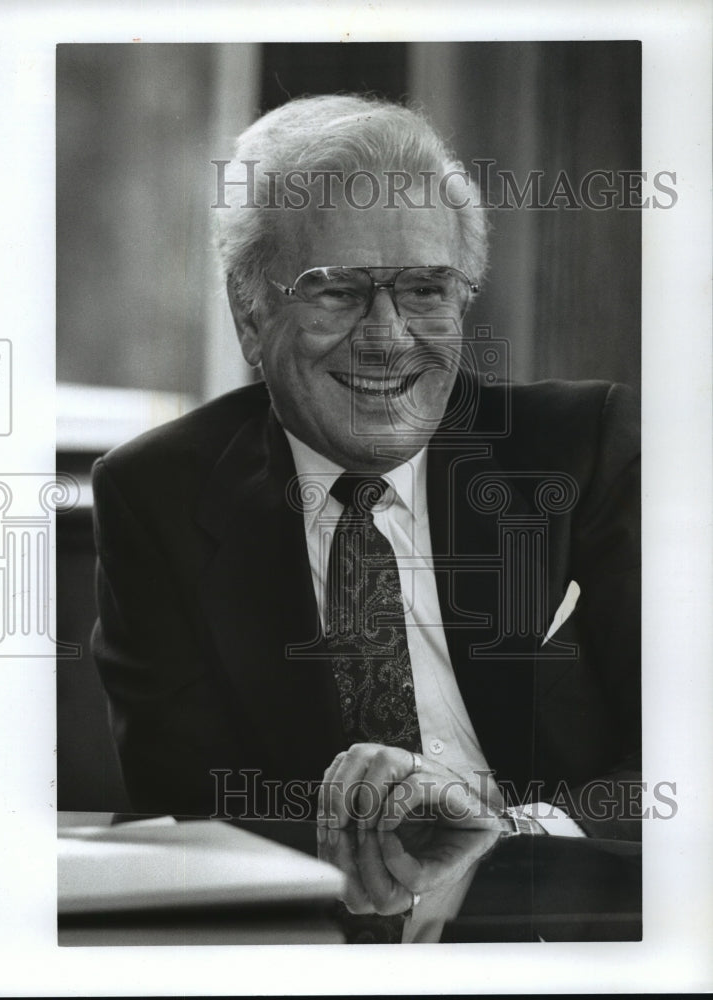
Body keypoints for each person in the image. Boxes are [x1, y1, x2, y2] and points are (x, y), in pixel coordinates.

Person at [91, 95, 640, 843]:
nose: (387, 339)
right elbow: (187, 806)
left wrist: (514, 842)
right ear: (250, 313)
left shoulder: (584, 450)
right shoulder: (158, 493)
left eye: (424, 290)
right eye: (337, 290)